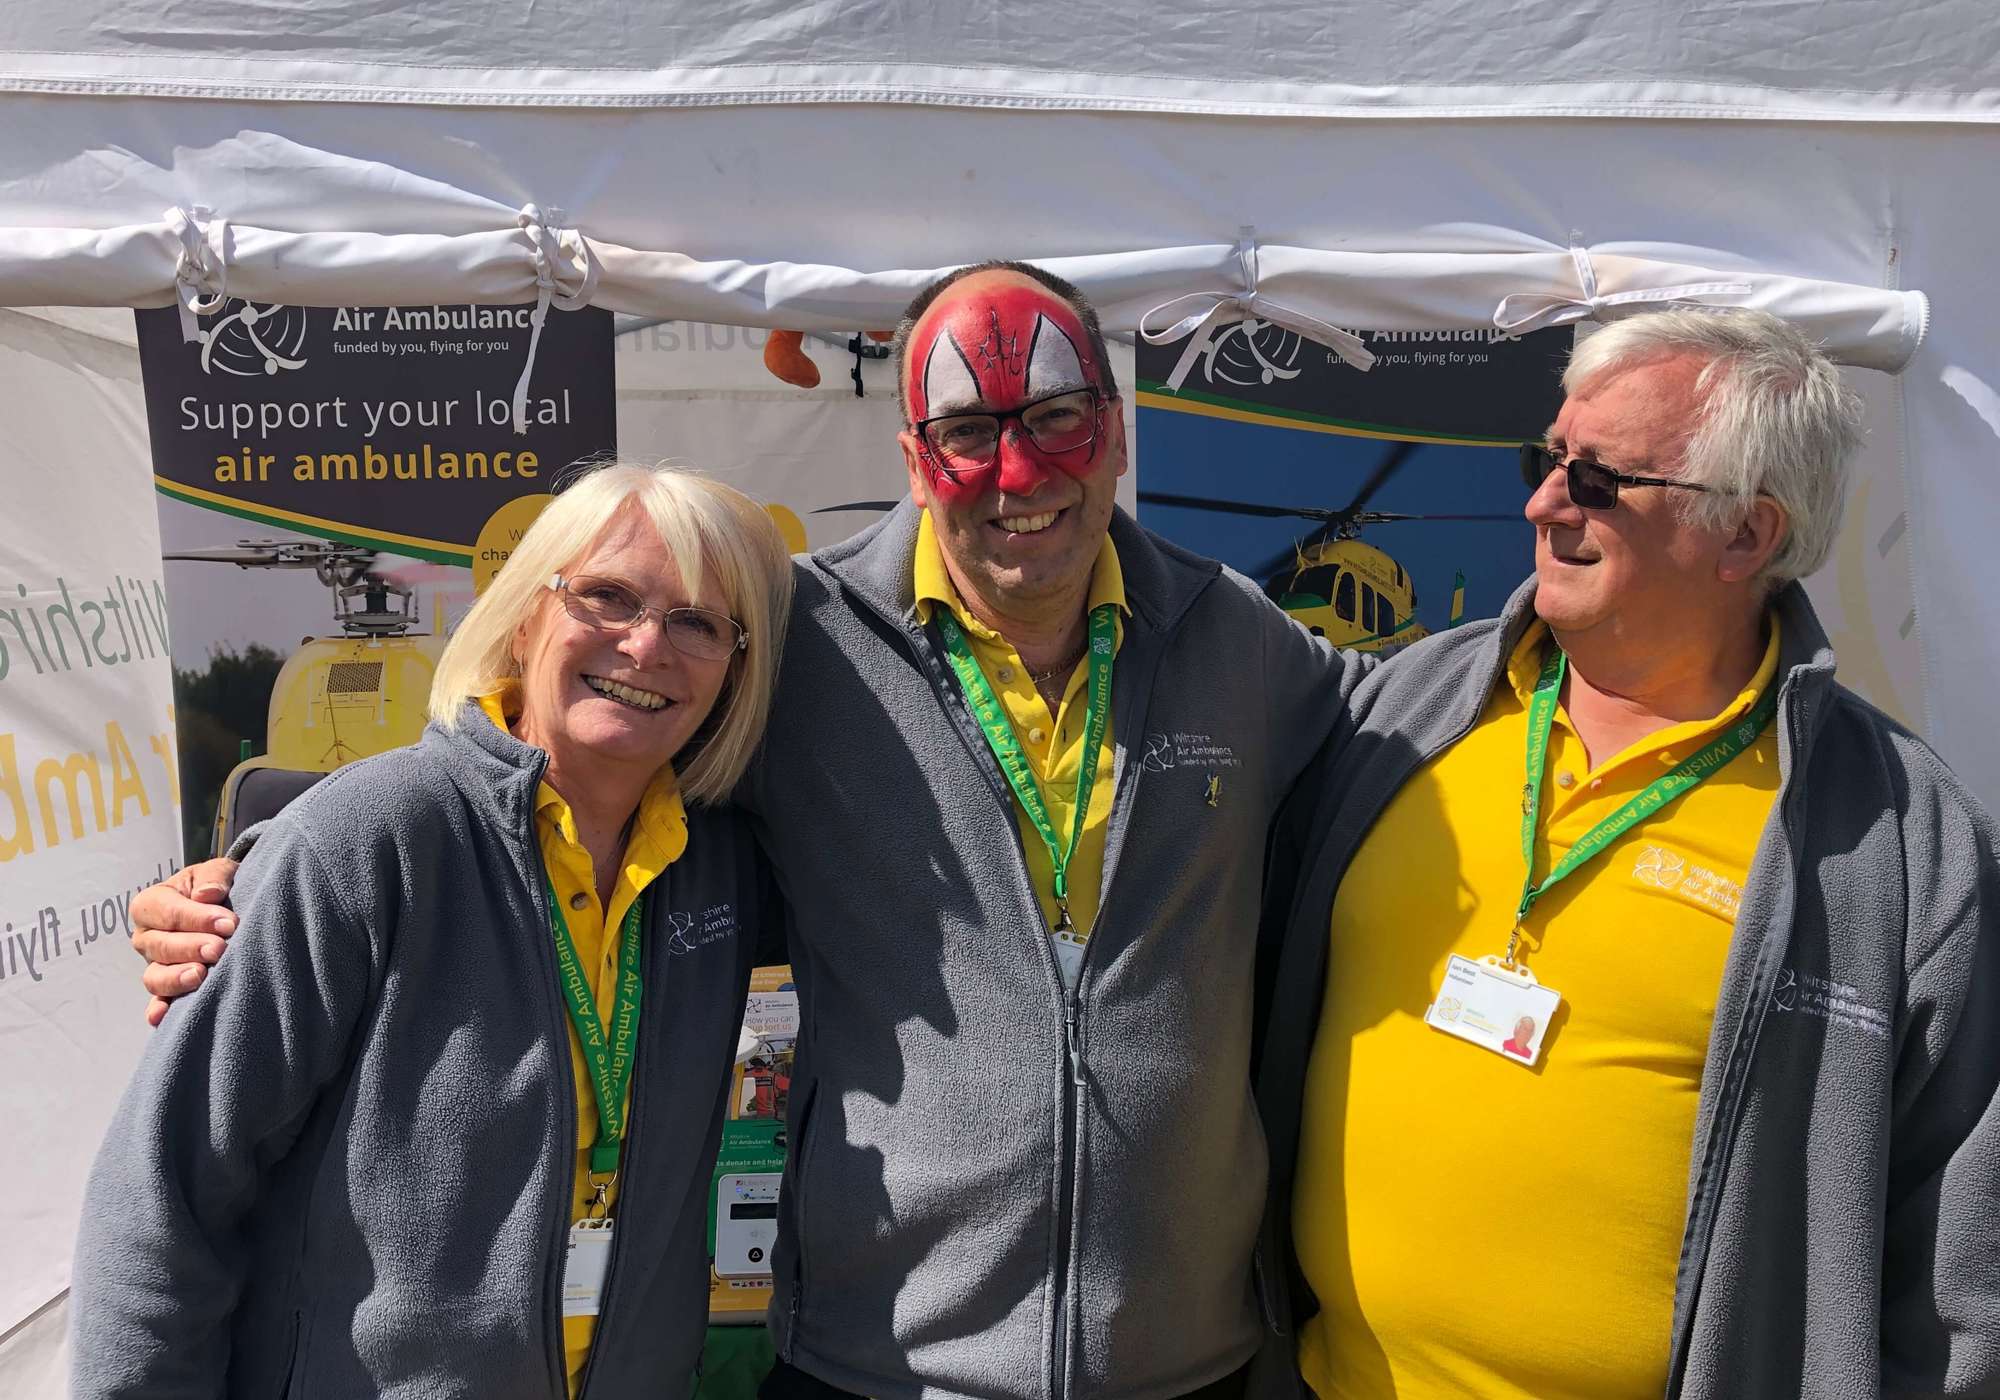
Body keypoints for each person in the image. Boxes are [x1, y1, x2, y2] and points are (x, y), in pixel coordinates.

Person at [131, 263, 1373, 1400]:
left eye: (1054, 417)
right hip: (880, 1365)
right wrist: (256, 874)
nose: (1016, 474)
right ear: (909, 450)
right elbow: (556, 778)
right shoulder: (798, 639)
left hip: (1183, 1367)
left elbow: (1409, 745)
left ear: (1112, 421)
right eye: (965, 433)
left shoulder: (1240, 643)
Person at [1256, 309, 2000, 1399]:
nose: (1540, 502)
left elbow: (1957, 1275)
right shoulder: (1402, 711)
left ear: (1745, 534)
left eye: (1596, 480)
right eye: (1546, 459)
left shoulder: (1899, 837)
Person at [76, 464, 794, 1398]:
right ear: (526, 615)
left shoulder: (727, 871)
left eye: (698, 622)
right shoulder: (361, 845)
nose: (647, 644)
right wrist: (272, 864)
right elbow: (161, 1199)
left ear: (736, 668)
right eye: (608, 596)